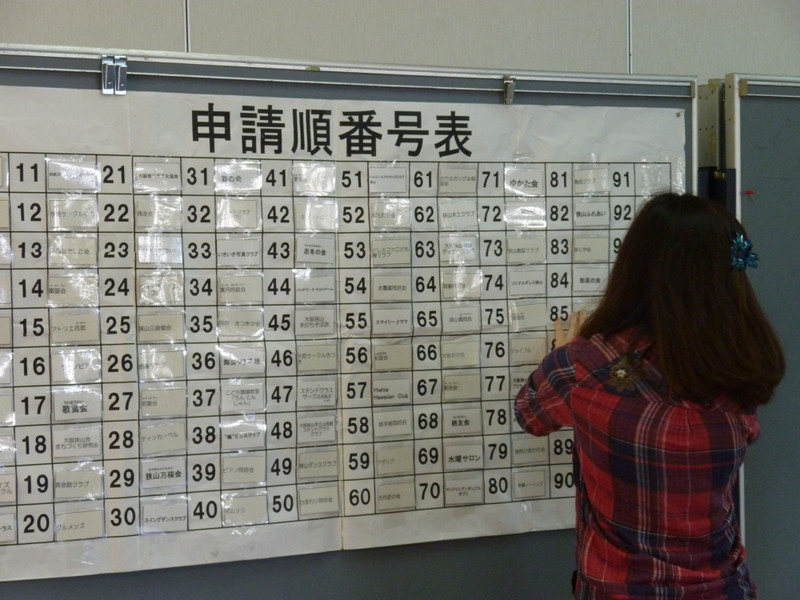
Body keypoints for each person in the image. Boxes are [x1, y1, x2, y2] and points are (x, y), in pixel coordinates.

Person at [514, 192, 785, 599]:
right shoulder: (742, 368)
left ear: (634, 268)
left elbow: (530, 414)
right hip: (724, 588)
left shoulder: (585, 368)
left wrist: (566, 354)